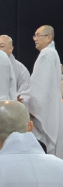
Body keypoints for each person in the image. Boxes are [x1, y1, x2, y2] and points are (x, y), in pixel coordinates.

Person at [28, 25, 63, 157]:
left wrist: (27, 102)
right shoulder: (51, 53)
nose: (35, 39)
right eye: (34, 35)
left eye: (38, 35)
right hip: (52, 105)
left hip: (47, 107)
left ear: (49, 38)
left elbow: (39, 87)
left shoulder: (47, 54)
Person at [0, 35, 31, 104]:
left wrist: (15, 99)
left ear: (11, 49)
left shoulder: (21, 69)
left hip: (12, 106)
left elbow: (25, 92)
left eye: (1, 46)